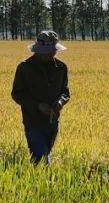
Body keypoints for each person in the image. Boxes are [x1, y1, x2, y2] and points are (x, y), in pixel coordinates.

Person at [11, 31, 70, 164]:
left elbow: (65, 92)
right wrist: (38, 106)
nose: (50, 54)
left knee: (45, 153)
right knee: (41, 159)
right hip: (33, 121)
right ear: (38, 50)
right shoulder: (25, 68)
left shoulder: (61, 68)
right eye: (46, 51)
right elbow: (17, 94)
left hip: (53, 121)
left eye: (52, 51)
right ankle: (46, 180)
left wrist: (60, 102)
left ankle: (40, 181)